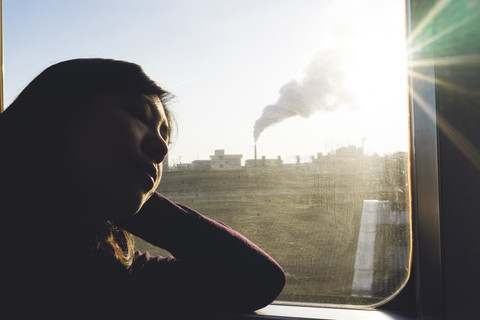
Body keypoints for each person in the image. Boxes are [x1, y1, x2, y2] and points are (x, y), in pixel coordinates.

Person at [0, 59, 285, 319]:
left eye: (165, 136)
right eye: (139, 115)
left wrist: (127, 194)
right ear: (52, 116)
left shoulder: (111, 270)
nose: (160, 149)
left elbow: (256, 280)